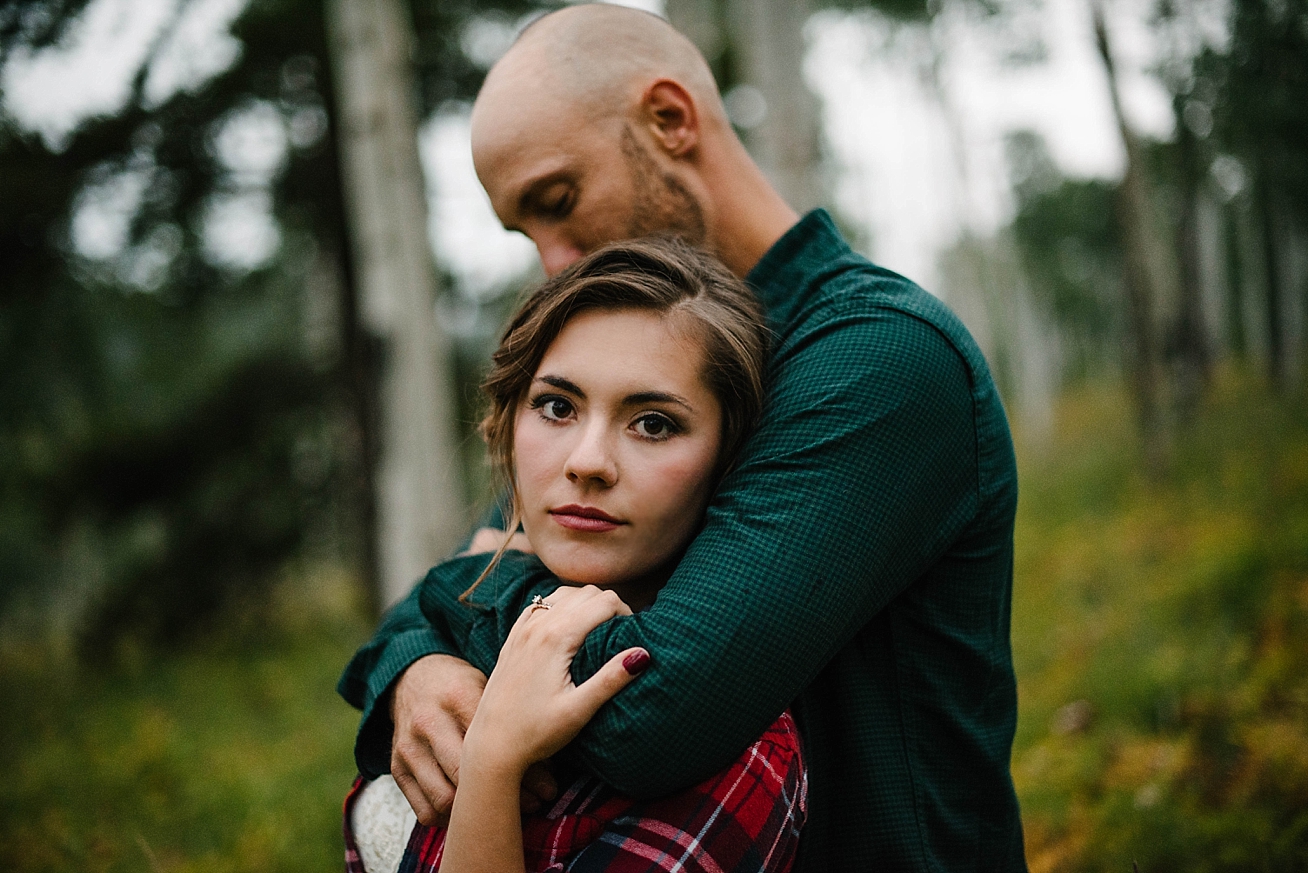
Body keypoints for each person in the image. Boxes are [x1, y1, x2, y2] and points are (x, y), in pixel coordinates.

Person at [339, 5, 1028, 871]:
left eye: (558, 201)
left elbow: (647, 712)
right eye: (526, 232)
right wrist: (416, 667)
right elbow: (480, 567)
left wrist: (467, 622)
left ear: (669, 120)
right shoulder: (613, 369)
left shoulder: (877, 357)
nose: (554, 264)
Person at [345, 237, 805, 873]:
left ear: (728, 461)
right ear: (507, 423)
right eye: (557, 407)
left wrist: (494, 759)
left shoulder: (739, 754)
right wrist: (415, 664)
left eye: (653, 423)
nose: (587, 462)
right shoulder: (458, 625)